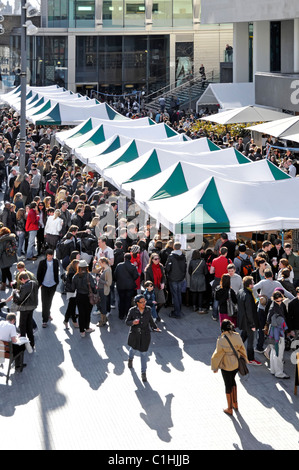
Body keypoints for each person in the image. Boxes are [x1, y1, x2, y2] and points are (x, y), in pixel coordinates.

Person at [252, 268, 294, 353]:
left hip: (262, 307)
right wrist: (295, 299)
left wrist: (258, 298)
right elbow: (286, 293)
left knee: (260, 328)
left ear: (264, 275)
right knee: (270, 327)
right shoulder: (277, 283)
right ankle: (271, 347)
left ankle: (259, 347)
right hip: (271, 308)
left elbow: (253, 288)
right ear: (272, 275)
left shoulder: (263, 282)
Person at [211, 319, 248, 415]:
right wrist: (245, 359)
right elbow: (242, 348)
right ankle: (235, 404)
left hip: (226, 364)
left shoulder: (222, 339)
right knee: (233, 381)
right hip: (236, 363)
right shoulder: (237, 336)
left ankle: (229, 408)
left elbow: (217, 354)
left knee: (228, 384)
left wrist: (215, 367)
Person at [126, 294, 161, 382]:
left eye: (144, 301)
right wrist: (133, 322)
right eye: (141, 302)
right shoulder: (132, 311)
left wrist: (155, 327)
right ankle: (130, 359)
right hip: (135, 335)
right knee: (133, 350)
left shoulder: (148, 309)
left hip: (145, 335)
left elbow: (151, 320)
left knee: (144, 354)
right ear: (137, 303)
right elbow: (127, 322)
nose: (144, 303)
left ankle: (143, 373)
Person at [264, 291, 290, 379]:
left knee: (274, 352)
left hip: (273, 332)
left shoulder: (276, 305)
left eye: (281, 300)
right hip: (278, 332)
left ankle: (274, 370)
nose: (280, 302)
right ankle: (279, 372)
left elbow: (268, 320)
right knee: (278, 353)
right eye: (278, 301)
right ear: (274, 300)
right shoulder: (274, 308)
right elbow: (269, 319)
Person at [237, 276, 261, 366]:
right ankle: (251, 359)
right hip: (249, 322)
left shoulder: (240, 292)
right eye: (253, 282)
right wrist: (252, 325)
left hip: (242, 320)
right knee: (250, 341)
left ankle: (236, 350)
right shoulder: (248, 295)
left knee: (243, 335)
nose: (254, 284)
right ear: (250, 285)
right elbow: (249, 312)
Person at [13, 272, 38, 350]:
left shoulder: (25, 286)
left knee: (23, 326)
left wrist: (15, 292)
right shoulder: (34, 283)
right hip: (32, 306)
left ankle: (23, 344)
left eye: (21, 281)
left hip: (25, 308)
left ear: (22, 279)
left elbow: (20, 298)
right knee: (29, 324)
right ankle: (32, 342)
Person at [72, 259, 96, 337]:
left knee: (81, 313)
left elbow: (73, 288)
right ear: (86, 267)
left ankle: (82, 331)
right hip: (88, 297)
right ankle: (87, 327)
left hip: (79, 296)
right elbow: (93, 287)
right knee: (87, 313)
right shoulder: (89, 276)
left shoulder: (75, 276)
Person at [37, 249, 59, 328]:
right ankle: (44, 320)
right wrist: (40, 284)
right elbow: (38, 274)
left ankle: (48, 313)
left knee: (49, 301)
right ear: (46, 256)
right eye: (48, 255)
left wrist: (56, 282)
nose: (49, 257)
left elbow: (56, 272)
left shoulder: (56, 262)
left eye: (51, 255)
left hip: (53, 285)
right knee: (44, 302)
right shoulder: (42, 263)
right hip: (44, 285)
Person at [114, 253, 139, 320]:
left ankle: (121, 315)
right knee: (128, 301)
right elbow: (136, 276)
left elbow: (115, 275)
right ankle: (127, 314)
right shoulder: (133, 266)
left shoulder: (119, 265)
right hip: (130, 286)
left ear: (124, 258)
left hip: (120, 285)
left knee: (121, 300)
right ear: (130, 258)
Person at [165, 242, 187, 318]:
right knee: (178, 294)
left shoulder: (171, 257)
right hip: (180, 277)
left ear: (174, 247)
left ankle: (177, 312)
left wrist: (168, 273)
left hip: (173, 278)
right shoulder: (183, 256)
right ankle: (178, 310)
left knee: (175, 295)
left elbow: (167, 268)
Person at [210, 246, 231, 321]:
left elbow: (211, 271)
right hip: (226, 280)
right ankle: (226, 315)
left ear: (219, 252)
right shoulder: (229, 261)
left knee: (216, 298)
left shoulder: (215, 260)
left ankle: (215, 315)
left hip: (217, 280)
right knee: (227, 298)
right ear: (226, 253)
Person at [144, 252, 166, 319]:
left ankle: (156, 313)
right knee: (153, 302)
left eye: (158, 259)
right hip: (152, 287)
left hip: (159, 286)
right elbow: (147, 280)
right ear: (152, 260)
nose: (157, 260)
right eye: (155, 259)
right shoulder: (149, 268)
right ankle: (153, 315)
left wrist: (163, 283)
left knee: (162, 301)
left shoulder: (161, 266)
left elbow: (163, 276)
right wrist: (150, 287)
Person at [188, 249, 208, 313]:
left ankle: (194, 306)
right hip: (201, 278)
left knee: (194, 293)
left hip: (193, 278)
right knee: (200, 294)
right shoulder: (203, 261)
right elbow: (206, 272)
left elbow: (189, 271)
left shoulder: (191, 261)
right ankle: (200, 307)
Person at [95, 256, 112, 327]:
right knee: (101, 304)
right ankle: (104, 319)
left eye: (100, 263)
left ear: (104, 263)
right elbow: (94, 270)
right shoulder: (104, 268)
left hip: (103, 290)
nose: (99, 264)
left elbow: (109, 283)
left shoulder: (108, 270)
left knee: (103, 305)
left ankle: (103, 321)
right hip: (100, 289)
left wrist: (99, 280)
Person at [63, 258, 79, 329]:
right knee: (72, 306)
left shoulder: (70, 271)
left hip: (71, 291)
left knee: (71, 306)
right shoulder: (72, 273)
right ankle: (74, 321)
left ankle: (66, 320)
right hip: (73, 291)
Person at [0, 226, 17, 291]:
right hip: (11, 257)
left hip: (4, 258)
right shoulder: (12, 237)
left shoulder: (2, 240)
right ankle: (10, 283)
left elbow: (0, 250)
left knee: (4, 270)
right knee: (7, 270)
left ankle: (3, 285)